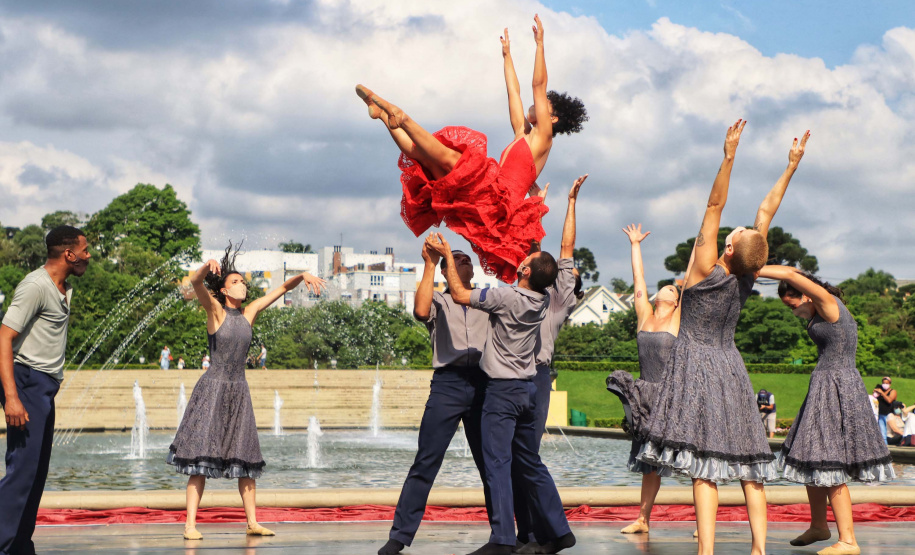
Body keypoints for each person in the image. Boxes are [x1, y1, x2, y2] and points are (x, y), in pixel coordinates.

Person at [637, 121, 810, 555]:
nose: (735, 230)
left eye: (734, 235)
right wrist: (790, 167)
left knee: (703, 465)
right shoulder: (749, 273)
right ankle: (759, 549)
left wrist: (728, 156)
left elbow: (714, 203)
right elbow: (766, 212)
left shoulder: (703, 269)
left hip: (695, 363)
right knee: (750, 463)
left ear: (728, 249)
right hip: (731, 365)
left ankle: (706, 551)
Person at [355, 14, 587, 283]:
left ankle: (402, 117)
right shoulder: (522, 133)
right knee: (427, 163)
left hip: (497, 203)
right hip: (490, 193)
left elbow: (538, 85)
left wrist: (540, 45)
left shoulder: (544, 137)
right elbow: (513, 92)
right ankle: (385, 117)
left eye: (545, 103)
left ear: (553, 118)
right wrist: (507, 56)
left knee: (450, 158)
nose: (537, 102)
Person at [428, 232, 575, 555]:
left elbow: (459, 294)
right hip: (527, 391)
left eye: (525, 260)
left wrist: (447, 256)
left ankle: (503, 539)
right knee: (531, 463)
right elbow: (541, 271)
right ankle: (561, 531)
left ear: (525, 271)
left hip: (502, 392)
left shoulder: (507, 298)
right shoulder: (542, 299)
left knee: (497, 464)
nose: (520, 260)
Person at [168, 243, 325, 540]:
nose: (242, 285)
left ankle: (252, 522)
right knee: (200, 460)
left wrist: (302, 275)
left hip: (239, 391)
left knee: (246, 456)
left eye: (243, 281)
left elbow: (280, 290)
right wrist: (207, 264)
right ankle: (189, 525)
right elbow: (196, 282)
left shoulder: (249, 312)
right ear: (225, 290)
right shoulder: (215, 310)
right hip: (212, 390)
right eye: (236, 281)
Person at [760, 266, 893, 555]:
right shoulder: (819, 310)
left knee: (832, 460)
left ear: (806, 295)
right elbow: (794, 276)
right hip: (824, 386)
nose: (793, 312)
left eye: (792, 305)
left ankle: (849, 541)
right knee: (812, 456)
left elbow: (792, 275)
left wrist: (754, 268)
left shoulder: (828, 303)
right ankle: (819, 525)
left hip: (837, 387)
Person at [377, 242, 491, 555]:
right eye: (454, 260)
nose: (462, 262)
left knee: (492, 464)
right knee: (426, 461)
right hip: (447, 384)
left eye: (466, 260)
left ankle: (505, 535)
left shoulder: (486, 299)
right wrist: (430, 262)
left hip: (484, 384)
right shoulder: (439, 300)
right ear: (445, 271)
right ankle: (399, 536)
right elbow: (420, 311)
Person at [0, 225, 91, 554]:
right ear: (69, 254)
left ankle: (20, 546)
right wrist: (12, 398)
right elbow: (4, 337)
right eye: (84, 250)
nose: (88, 256)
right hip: (26, 381)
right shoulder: (35, 285)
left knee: (35, 472)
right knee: (22, 471)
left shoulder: (63, 287)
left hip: (43, 386)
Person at [513, 175, 587, 547]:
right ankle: (528, 532)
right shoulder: (533, 291)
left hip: (534, 378)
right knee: (517, 458)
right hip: (516, 378)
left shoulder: (558, 301)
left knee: (525, 457)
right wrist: (536, 205)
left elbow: (565, 246)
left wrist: (570, 202)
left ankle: (552, 531)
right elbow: (538, 248)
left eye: (570, 273)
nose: (565, 269)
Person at [606, 223, 682, 536]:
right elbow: (638, 279)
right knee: (649, 462)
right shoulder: (644, 314)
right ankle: (643, 519)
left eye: (673, 289)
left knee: (691, 457)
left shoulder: (677, 319)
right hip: (644, 397)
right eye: (666, 287)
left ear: (676, 301)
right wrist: (635, 245)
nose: (667, 288)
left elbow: (692, 281)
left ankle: (705, 521)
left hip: (670, 397)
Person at [874, 376, 897, 444]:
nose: (885, 384)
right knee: (882, 433)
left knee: (887, 433)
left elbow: (889, 400)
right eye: (883, 383)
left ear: (890, 384)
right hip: (880, 414)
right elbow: (874, 398)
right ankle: (884, 446)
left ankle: (887, 446)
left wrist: (882, 393)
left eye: (887, 383)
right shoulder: (880, 391)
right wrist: (876, 392)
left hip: (888, 414)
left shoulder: (893, 391)